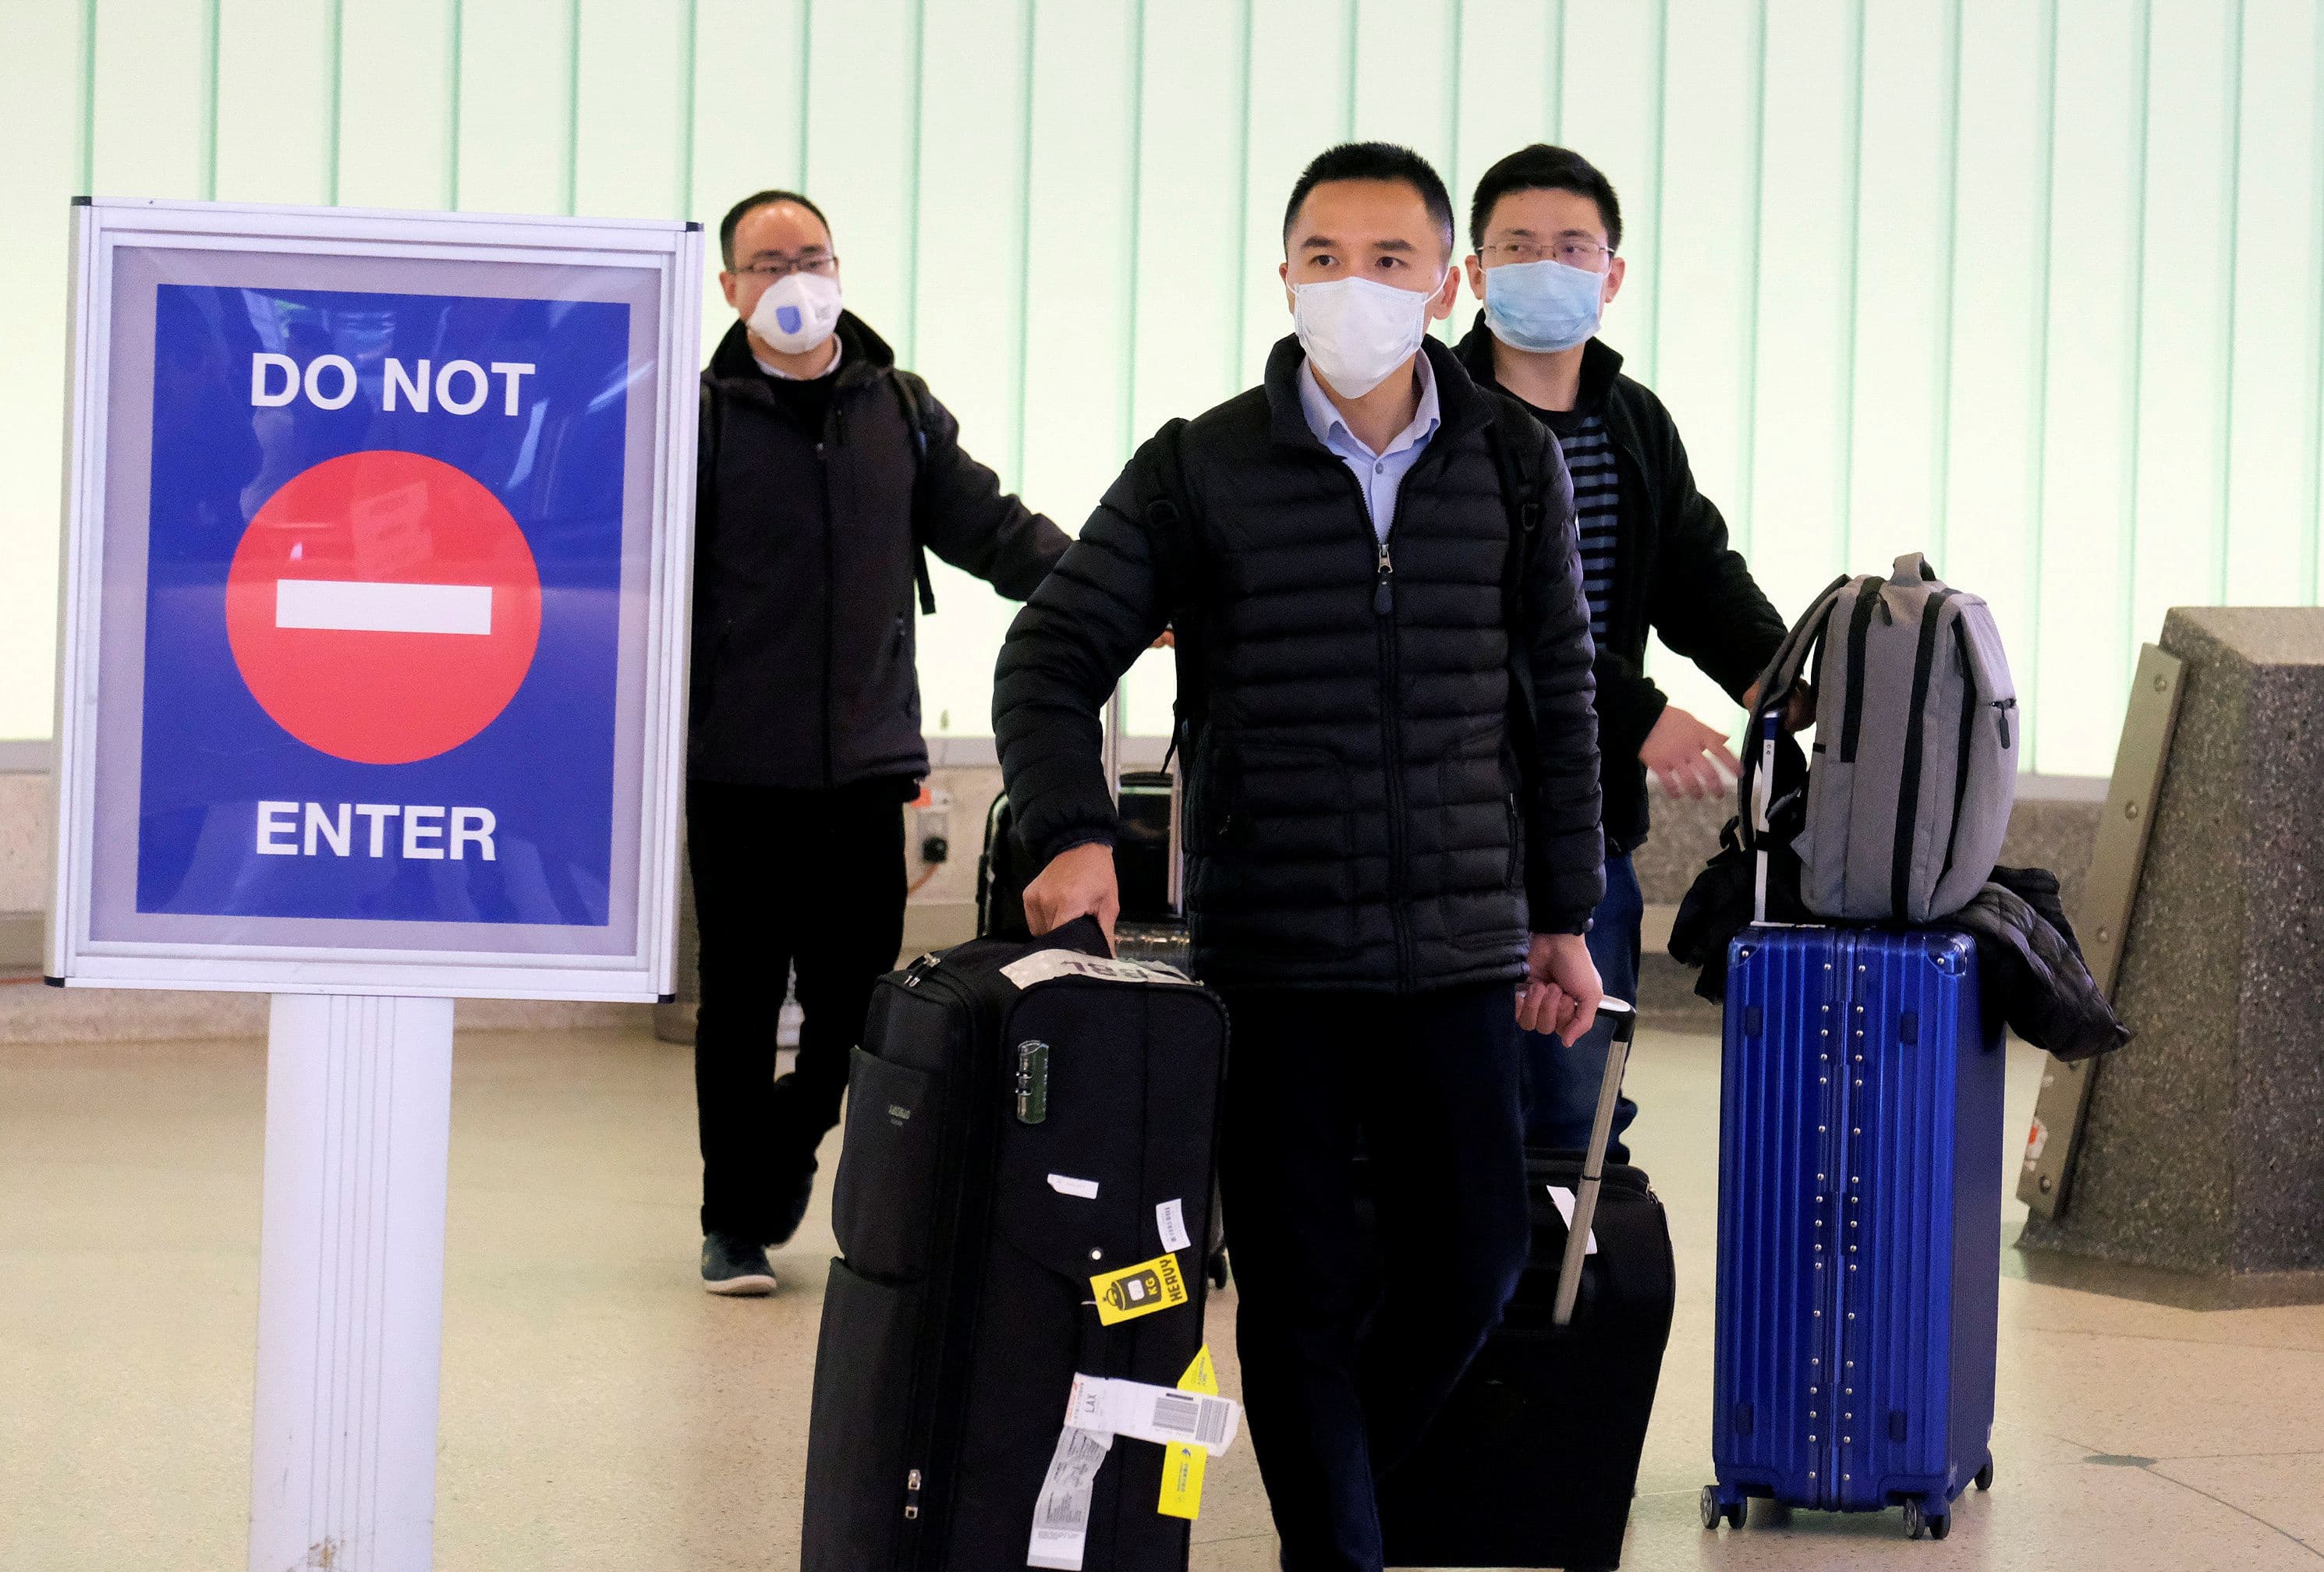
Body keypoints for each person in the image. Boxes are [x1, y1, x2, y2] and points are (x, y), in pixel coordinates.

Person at [994, 143, 1606, 1572]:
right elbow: (1050, 652)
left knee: (1476, 1264)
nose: (1355, 287)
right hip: (1273, 957)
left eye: (1391, 261)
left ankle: (1338, 1503)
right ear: (1284, 276)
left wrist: (1562, 913)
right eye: (1324, 259)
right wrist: (1075, 833)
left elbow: (1560, 695)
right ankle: (1340, 1552)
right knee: (1300, 1292)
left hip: (1459, 948)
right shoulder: (1201, 467)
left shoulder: (1513, 464)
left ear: (1445, 284)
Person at [689, 189, 1068, 1294]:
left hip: (866, 766)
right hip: (733, 769)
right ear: (730, 289)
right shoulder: (697, 416)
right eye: (766, 264)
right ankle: (733, 1223)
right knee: (744, 1002)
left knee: (858, 1006)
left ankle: (779, 1158)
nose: (791, 278)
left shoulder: (894, 408)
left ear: (841, 271)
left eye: (810, 256)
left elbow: (991, 529)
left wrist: (1107, 589)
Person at [1456, 144, 1791, 1157]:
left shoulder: (1632, 420)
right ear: (1473, 272)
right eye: (1517, 247)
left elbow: (1694, 569)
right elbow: (1490, 610)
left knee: (1573, 1104)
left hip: (1583, 827)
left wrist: (1782, 680)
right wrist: (1641, 716)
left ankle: (1561, 1303)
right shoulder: (1439, 420)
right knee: (1457, 1104)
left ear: (1612, 273)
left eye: (1571, 247)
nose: (1544, 266)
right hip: (1453, 822)